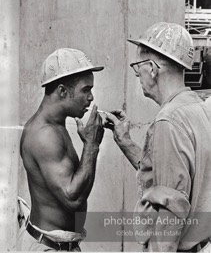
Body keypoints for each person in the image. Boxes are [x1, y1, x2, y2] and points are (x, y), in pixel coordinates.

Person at [104, 22, 211, 252]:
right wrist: (126, 142)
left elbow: (171, 211)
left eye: (138, 67)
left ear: (152, 68)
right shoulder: (197, 109)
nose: (137, 74)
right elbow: (168, 177)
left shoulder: (168, 121)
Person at [17, 48, 105, 251]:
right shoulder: (45, 135)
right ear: (63, 91)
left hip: (58, 244)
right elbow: (72, 198)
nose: (91, 98)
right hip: (49, 247)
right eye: (86, 90)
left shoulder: (56, 126)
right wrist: (91, 145)